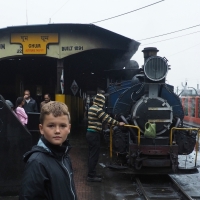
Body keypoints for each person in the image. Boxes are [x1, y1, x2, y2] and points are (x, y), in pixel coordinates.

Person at [19, 101, 77, 200]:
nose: (57, 131)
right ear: (41, 129)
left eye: (63, 126)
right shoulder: (36, 163)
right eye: (51, 126)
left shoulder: (65, 156)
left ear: (69, 128)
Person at [86, 93, 125, 182]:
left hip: (91, 134)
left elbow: (100, 119)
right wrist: (118, 123)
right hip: (94, 134)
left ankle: (92, 173)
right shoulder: (97, 109)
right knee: (94, 156)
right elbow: (107, 118)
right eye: (103, 101)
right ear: (101, 101)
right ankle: (91, 176)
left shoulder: (92, 108)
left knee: (92, 155)